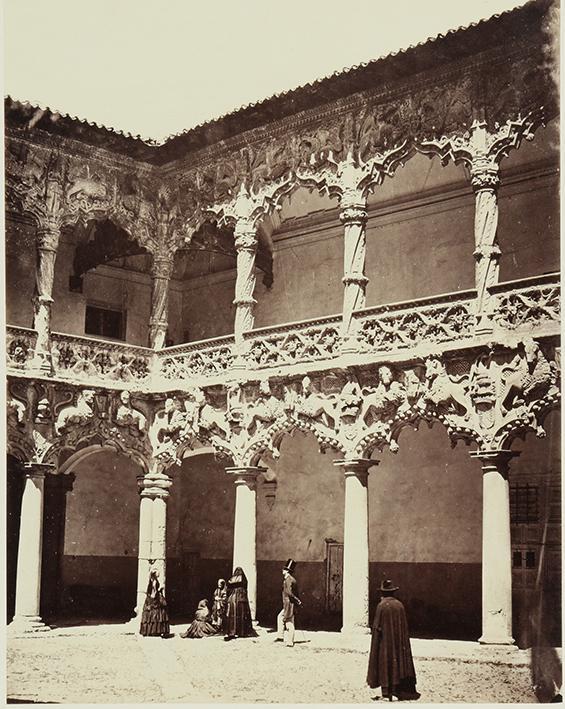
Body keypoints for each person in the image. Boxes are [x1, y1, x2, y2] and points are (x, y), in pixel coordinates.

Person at [367, 579, 420, 701]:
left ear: (382, 593)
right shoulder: (400, 605)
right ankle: (396, 691)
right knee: (396, 663)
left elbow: (377, 628)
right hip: (398, 643)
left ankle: (386, 693)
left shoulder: (381, 606)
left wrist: (375, 646)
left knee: (385, 665)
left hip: (385, 644)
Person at [275, 558, 302, 647]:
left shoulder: (288, 579)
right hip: (288, 604)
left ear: (287, 571)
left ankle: (290, 641)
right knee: (280, 617)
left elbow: (289, 593)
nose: (282, 570)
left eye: (284, 569)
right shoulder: (290, 579)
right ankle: (280, 636)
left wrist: (297, 600)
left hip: (289, 604)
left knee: (289, 622)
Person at [224, 566, 255, 640]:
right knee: (241, 616)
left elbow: (228, 587)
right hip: (241, 600)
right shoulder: (244, 580)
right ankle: (241, 632)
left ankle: (233, 632)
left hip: (234, 600)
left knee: (234, 616)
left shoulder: (233, 580)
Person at [139, 568, 170, 638]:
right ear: (155, 574)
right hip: (154, 598)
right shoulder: (154, 581)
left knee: (152, 614)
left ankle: (151, 630)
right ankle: (155, 631)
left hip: (151, 598)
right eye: (157, 572)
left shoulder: (152, 580)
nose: (159, 573)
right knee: (156, 614)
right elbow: (154, 590)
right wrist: (159, 590)